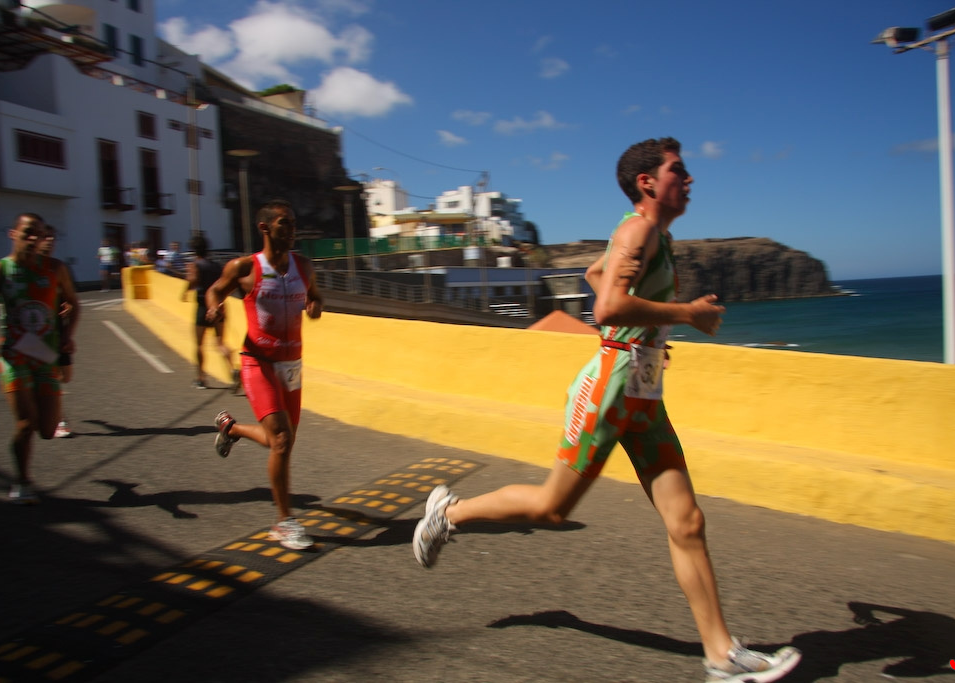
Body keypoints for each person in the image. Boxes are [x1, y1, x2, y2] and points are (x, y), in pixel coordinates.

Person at [411, 138, 802, 683]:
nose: (689, 179)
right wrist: (684, 314)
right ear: (647, 181)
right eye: (678, 170)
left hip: (644, 392)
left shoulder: (652, 236)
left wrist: (654, 333)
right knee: (552, 509)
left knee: (687, 521)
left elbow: (597, 274)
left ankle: (721, 655)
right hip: (611, 387)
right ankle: (448, 515)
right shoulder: (637, 230)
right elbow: (607, 305)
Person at [206, 199, 324, 550]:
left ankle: (231, 428)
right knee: (282, 440)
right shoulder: (245, 267)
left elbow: (316, 297)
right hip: (257, 361)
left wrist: (315, 306)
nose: (292, 230)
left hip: (292, 365)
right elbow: (215, 290)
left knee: (280, 443)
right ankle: (284, 523)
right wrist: (214, 307)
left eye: (293, 223)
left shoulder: (304, 266)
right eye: (285, 223)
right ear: (265, 228)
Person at [0, 212, 79, 503]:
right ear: (13, 234)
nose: (35, 239)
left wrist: (68, 335)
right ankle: (22, 481)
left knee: (47, 430)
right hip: (13, 356)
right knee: (25, 423)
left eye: (40, 234)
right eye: (28, 232)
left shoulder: (55, 269)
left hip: (46, 355)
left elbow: (73, 302)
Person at [183, 233, 236, 390]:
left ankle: (201, 378)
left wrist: (185, 291)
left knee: (199, 344)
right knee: (220, 343)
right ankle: (233, 369)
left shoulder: (195, 265)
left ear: (194, 250)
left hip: (202, 306)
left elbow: (193, 281)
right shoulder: (216, 266)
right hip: (218, 306)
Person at [38, 224, 73, 438]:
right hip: (37, 334)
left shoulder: (58, 268)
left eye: (52, 237)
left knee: (65, 376)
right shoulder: (22, 271)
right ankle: (59, 419)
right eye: (45, 237)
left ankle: (52, 410)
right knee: (52, 377)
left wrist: (68, 307)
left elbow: (71, 299)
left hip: (59, 330)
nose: (50, 241)